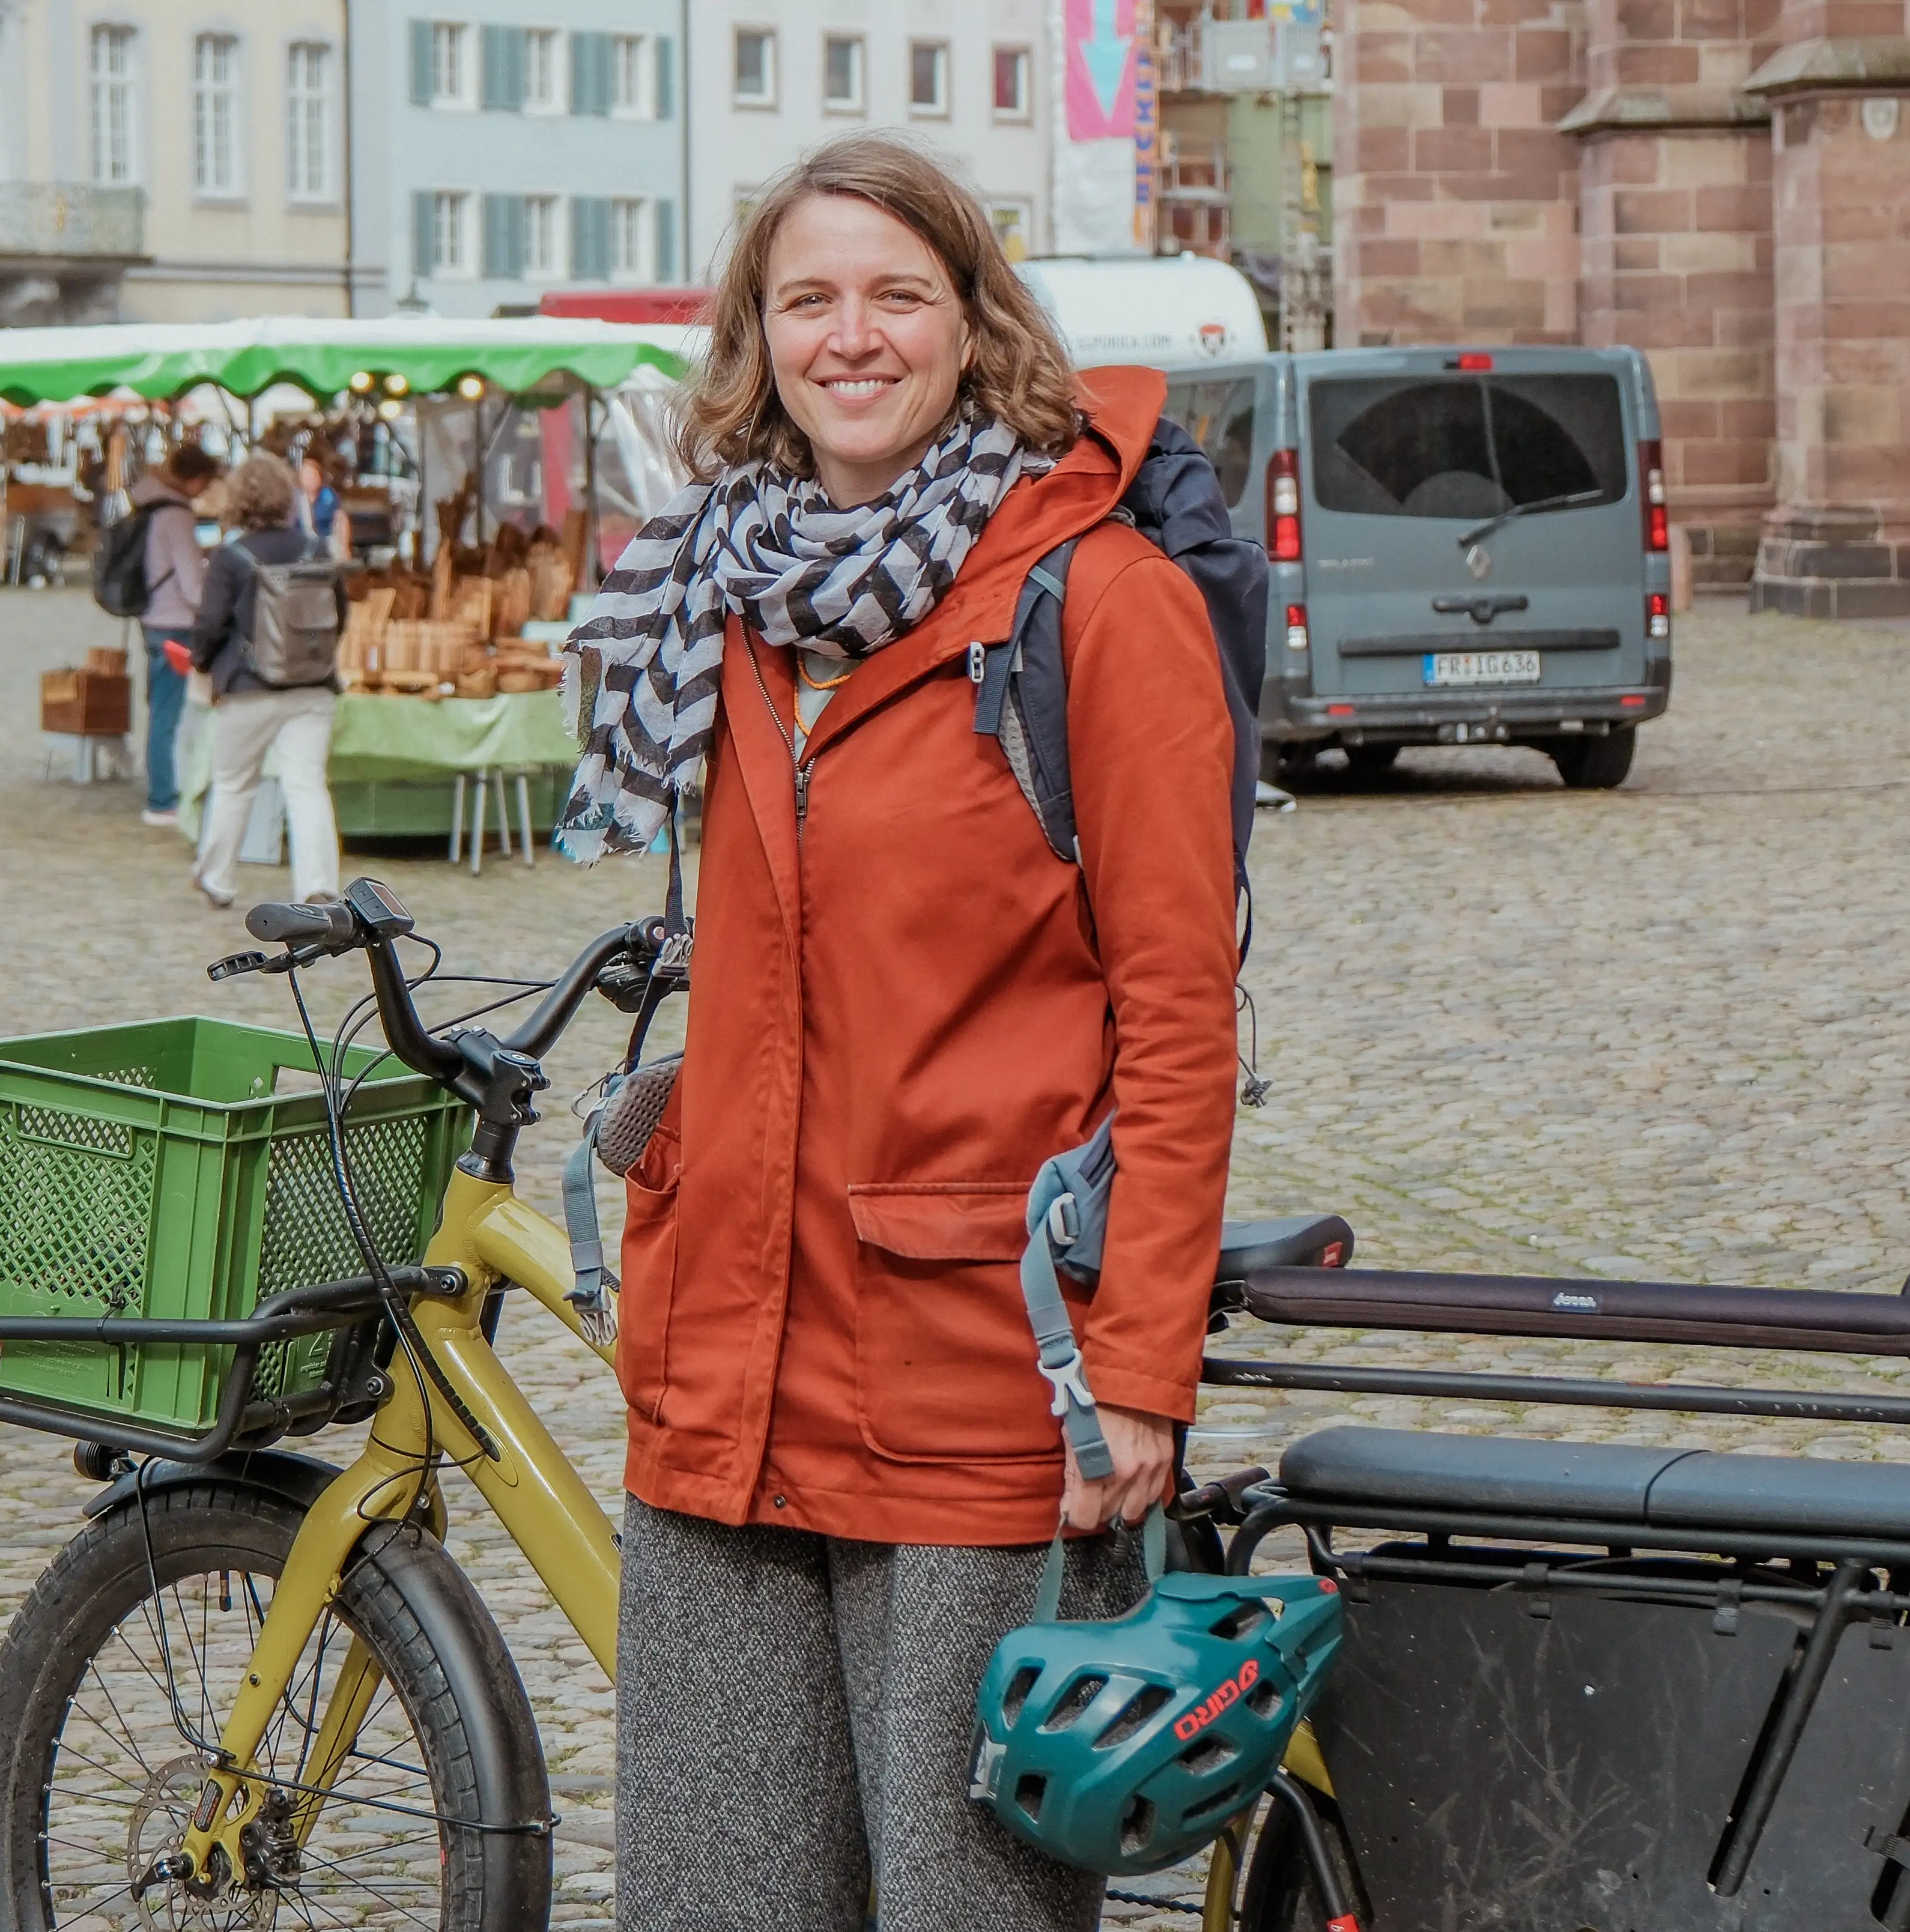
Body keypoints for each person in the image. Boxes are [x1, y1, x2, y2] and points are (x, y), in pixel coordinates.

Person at [559, 132, 1240, 1932]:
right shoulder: (717, 600)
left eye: (894, 295)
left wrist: (1148, 1373)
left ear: (972, 322)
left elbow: (1178, 1020)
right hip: (727, 1363)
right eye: (809, 299)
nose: (850, 336)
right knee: (720, 1902)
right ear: (756, 335)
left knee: (969, 1912)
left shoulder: (1095, 602)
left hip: (979, 1381)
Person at [189, 452, 344, 909]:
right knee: (308, 784)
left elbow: (209, 623)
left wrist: (201, 662)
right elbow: (341, 615)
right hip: (313, 686)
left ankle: (217, 877)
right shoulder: (317, 550)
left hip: (248, 686)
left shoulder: (230, 557)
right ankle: (318, 884)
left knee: (234, 781)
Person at [129, 442, 222, 827]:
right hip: (177, 623)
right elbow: (193, 587)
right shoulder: (178, 516)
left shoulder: (149, 507)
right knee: (172, 713)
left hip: (152, 618)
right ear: (196, 479)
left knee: (161, 708)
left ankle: (163, 789)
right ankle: (163, 797)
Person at [296, 453, 344, 559]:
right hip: (301, 546)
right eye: (307, 476)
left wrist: (344, 547)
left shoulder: (328, 495)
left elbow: (341, 519)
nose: (310, 479)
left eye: (313, 475)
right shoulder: (295, 498)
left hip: (327, 542)